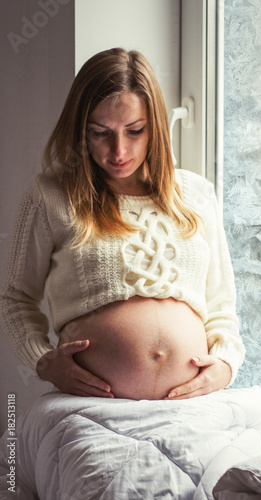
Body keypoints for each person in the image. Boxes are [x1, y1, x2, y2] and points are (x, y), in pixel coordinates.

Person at [0, 48, 245, 401]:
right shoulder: (51, 195)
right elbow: (15, 298)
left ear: (155, 127)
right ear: (79, 130)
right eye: (100, 132)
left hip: (192, 407)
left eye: (135, 131)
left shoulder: (197, 194)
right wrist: (42, 361)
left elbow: (221, 306)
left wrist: (224, 365)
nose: (118, 151)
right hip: (94, 409)